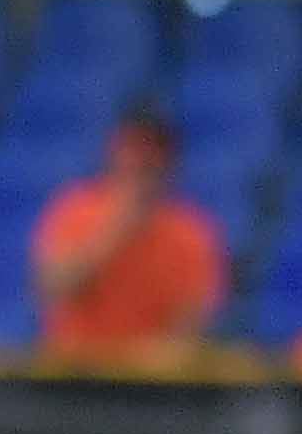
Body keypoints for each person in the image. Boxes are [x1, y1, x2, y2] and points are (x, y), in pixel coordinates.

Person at [28, 109, 225, 360]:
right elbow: (53, 289)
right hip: (75, 367)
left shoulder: (191, 233)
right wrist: (113, 234)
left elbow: (190, 326)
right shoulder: (74, 211)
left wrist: (136, 360)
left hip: (147, 375)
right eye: (131, 156)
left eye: (148, 163)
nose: (137, 169)